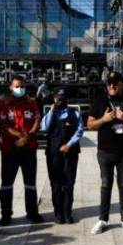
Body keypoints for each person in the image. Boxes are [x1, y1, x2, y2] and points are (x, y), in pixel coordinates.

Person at [87, 71, 123, 236]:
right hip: (105, 151)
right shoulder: (101, 100)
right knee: (105, 185)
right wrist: (104, 119)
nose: (112, 85)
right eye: (110, 83)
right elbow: (89, 124)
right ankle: (103, 219)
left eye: (116, 82)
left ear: (122, 84)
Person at [0, 75, 43, 225]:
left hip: (28, 148)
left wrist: (27, 136)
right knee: (7, 184)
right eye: (17, 86)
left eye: (22, 86)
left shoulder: (31, 102)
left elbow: (37, 120)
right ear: (11, 87)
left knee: (30, 183)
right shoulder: (4, 104)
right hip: (10, 149)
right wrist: (19, 136)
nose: (20, 89)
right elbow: (2, 124)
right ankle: (5, 214)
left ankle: (32, 213)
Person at [41, 88, 84, 224]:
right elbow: (44, 127)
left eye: (63, 98)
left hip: (70, 153)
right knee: (56, 183)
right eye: (58, 98)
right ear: (54, 99)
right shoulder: (51, 113)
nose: (60, 100)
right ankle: (58, 213)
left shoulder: (74, 113)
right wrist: (52, 111)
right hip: (53, 154)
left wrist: (69, 145)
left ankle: (67, 213)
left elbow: (79, 130)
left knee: (69, 183)